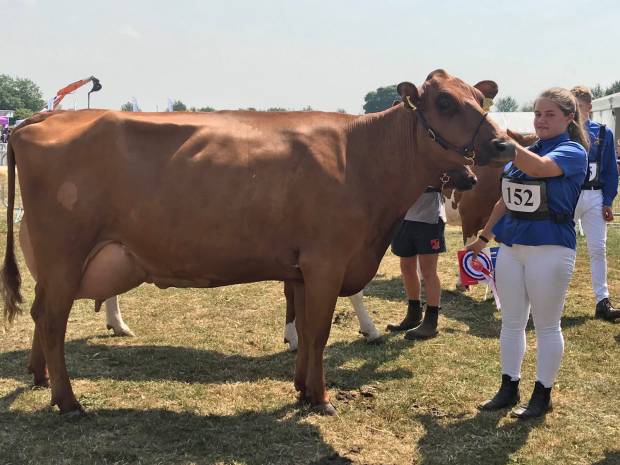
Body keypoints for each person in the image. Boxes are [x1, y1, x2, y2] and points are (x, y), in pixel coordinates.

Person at [468, 88, 588, 419]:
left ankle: (542, 393)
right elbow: (505, 200)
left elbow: (539, 169)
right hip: (511, 246)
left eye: (550, 114)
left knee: (547, 325)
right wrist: (483, 237)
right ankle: (508, 386)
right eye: (537, 113)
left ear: (568, 117)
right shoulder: (527, 151)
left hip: (549, 246)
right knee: (511, 322)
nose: (541, 120)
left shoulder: (572, 151)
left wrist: (509, 146)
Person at [570, 86, 619, 321]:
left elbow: (610, 169)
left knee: (598, 248)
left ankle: (602, 300)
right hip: (569, 195)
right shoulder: (565, 131)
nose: (576, 111)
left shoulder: (603, 132)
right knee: (561, 247)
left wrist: (608, 200)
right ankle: (551, 297)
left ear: (589, 107)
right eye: (572, 106)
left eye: (580, 106)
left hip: (594, 195)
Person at [386, 185, 446, 340]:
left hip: (429, 218)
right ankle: (414, 314)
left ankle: (431, 322)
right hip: (403, 217)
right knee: (406, 267)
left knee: (428, 271)